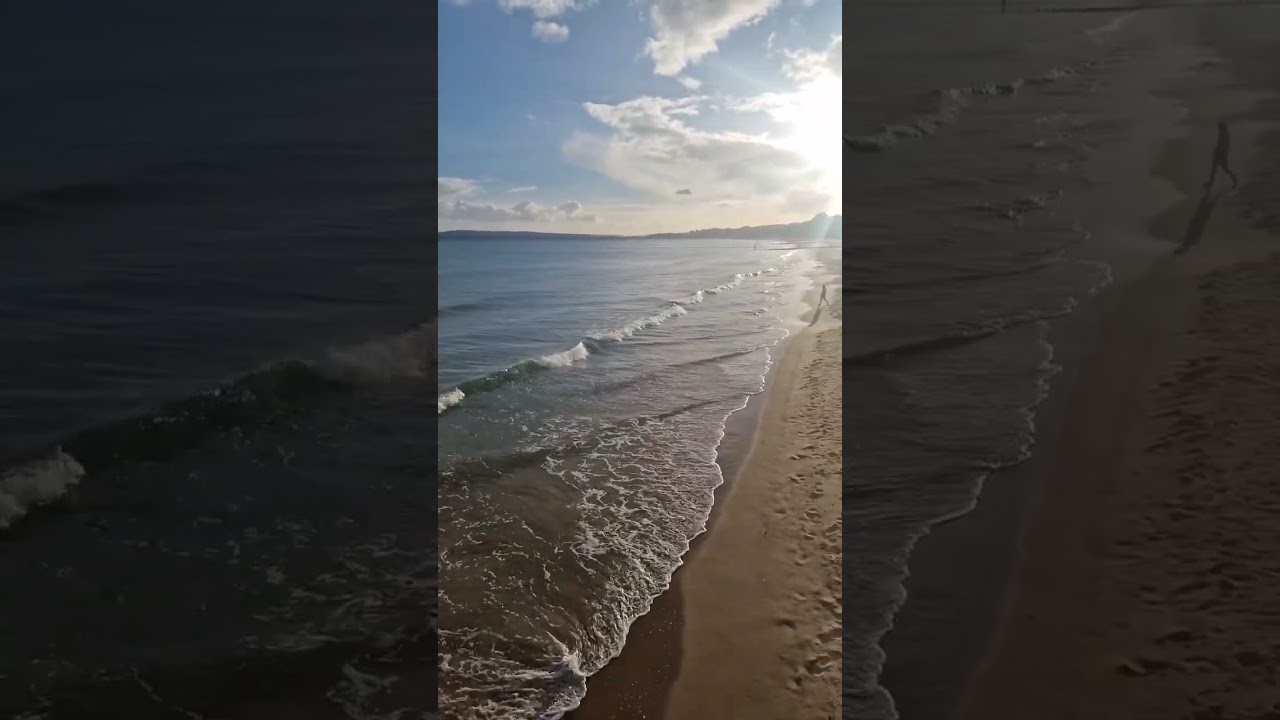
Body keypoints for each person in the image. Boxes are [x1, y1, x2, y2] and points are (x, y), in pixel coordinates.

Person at [1207, 121, 1239, 191]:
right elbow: (1222, 145)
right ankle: (1210, 184)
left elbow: (1221, 145)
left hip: (1221, 154)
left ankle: (1234, 178)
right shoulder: (1225, 133)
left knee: (1221, 169)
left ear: (1221, 127)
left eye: (1219, 127)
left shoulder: (1223, 134)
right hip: (1222, 153)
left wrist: (1216, 151)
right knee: (1217, 170)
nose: (1218, 128)